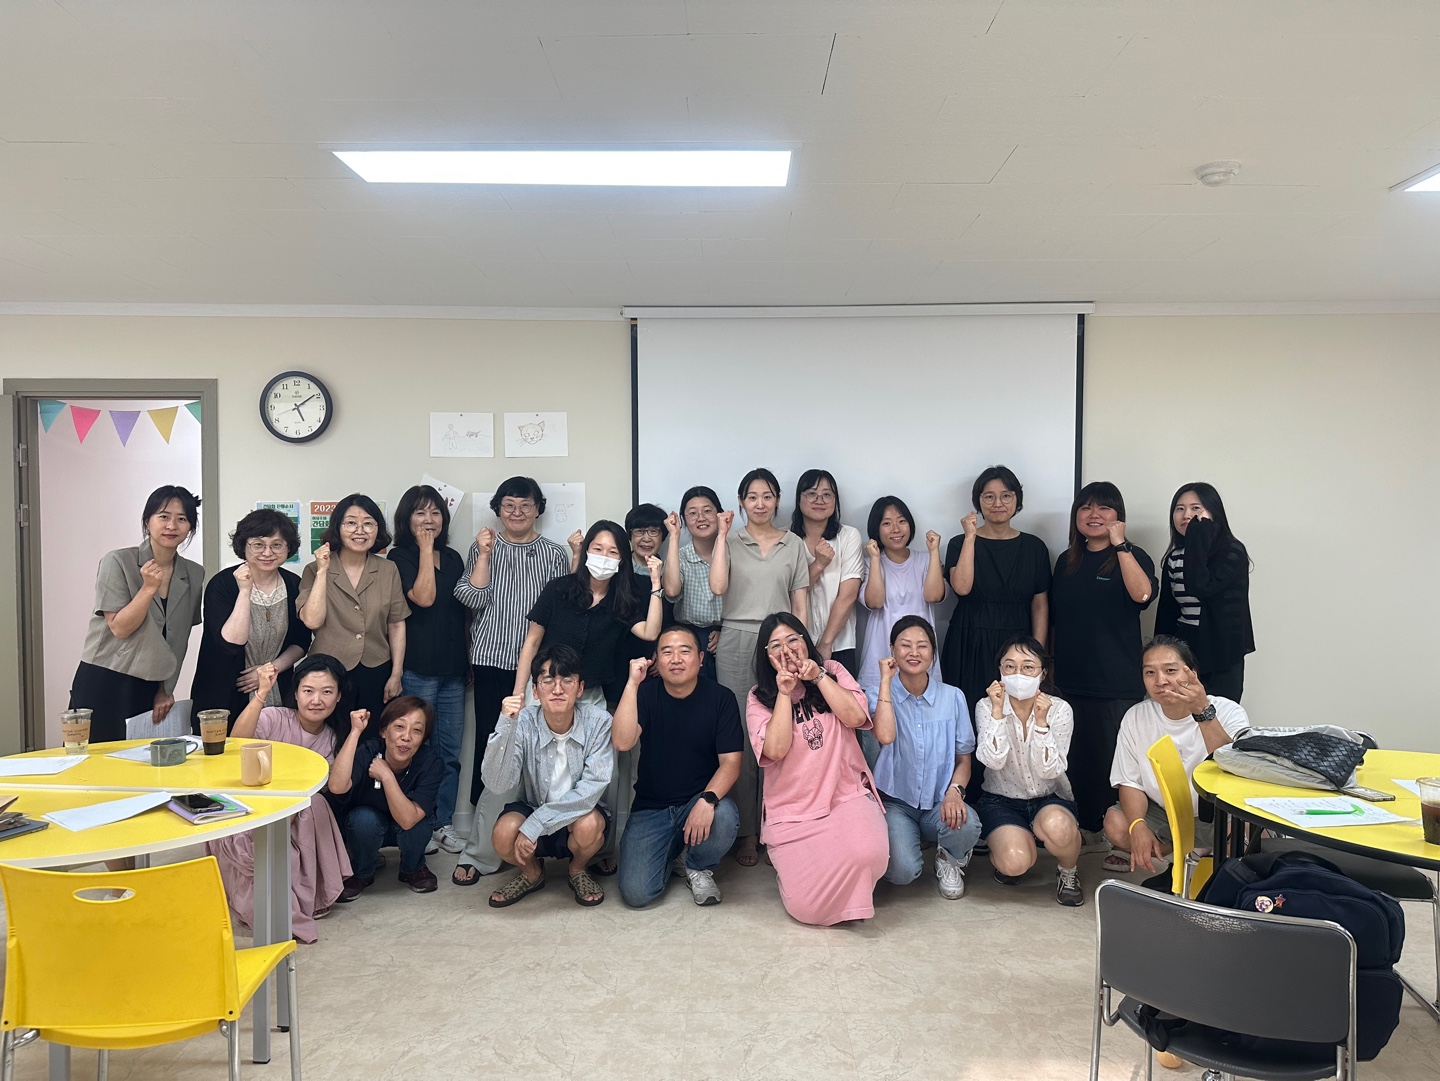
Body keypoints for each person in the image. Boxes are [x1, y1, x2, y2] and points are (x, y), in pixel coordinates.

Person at [512, 521, 663, 870]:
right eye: (598, 549)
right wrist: (519, 693)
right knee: (521, 770)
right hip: (545, 692)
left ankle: (595, 853)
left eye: (613, 552)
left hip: (591, 697)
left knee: (599, 778)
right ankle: (497, 850)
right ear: (585, 552)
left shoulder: (622, 599)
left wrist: (656, 584)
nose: (604, 557)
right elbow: (532, 642)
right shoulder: (559, 589)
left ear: (623, 560)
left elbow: (650, 631)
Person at [451, 477, 571, 886]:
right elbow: (472, 599)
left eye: (526, 505)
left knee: (538, 752)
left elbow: (564, 609)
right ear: (498, 509)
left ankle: (527, 833)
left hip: (538, 670)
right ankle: (483, 842)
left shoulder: (553, 554)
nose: (517, 512)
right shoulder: (483, 547)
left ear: (538, 509)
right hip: (490, 659)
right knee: (493, 749)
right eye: (508, 505)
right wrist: (484, 555)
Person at [745, 613, 887, 926]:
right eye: (775, 646)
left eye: (792, 640)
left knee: (870, 854)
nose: (786, 650)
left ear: (805, 641)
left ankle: (849, 889)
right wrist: (785, 693)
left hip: (845, 795)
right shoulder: (758, 697)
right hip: (792, 810)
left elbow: (855, 717)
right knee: (806, 908)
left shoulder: (833, 670)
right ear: (766, 656)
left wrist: (818, 677)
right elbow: (775, 750)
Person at [208, 654, 353, 942]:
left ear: (338, 697)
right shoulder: (274, 717)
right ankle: (271, 903)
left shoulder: (331, 739)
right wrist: (261, 693)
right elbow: (237, 742)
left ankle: (308, 894)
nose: (316, 700)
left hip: (293, 814)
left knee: (316, 804)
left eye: (327, 692)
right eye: (308, 691)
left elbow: (332, 787)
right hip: (250, 806)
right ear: (296, 693)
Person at [1048, 482, 1157, 852]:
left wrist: (1120, 545)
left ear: (1118, 516)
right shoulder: (1066, 561)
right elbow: (1057, 620)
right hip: (1070, 681)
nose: (1094, 515)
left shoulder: (1134, 555)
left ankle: (1119, 840)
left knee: (1117, 764)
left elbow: (1142, 595)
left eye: (1104, 508)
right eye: (1086, 508)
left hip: (1115, 682)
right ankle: (1085, 831)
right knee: (1076, 761)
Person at [711, 468, 811, 867]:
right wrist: (721, 534)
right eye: (752, 497)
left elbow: (800, 602)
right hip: (736, 639)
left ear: (777, 500)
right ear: (741, 502)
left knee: (781, 734)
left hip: (781, 642)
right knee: (741, 736)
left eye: (767, 496)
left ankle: (778, 828)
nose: (760, 503)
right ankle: (747, 833)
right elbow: (718, 587)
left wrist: (802, 650)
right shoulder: (731, 540)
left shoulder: (794, 543)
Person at [613, 627, 743, 908]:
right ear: (656, 660)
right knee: (637, 894)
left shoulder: (721, 698)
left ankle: (698, 865)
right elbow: (622, 742)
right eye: (667, 652)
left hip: (697, 801)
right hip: (651, 807)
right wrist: (632, 684)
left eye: (685, 651)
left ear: (701, 658)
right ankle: (674, 851)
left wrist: (707, 800)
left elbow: (731, 763)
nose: (676, 659)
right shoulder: (646, 694)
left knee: (724, 813)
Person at [482, 645, 614, 908]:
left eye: (567, 680)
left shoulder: (598, 721)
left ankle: (578, 870)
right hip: (533, 805)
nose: (557, 689)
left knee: (590, 825)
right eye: (548, 680)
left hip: (578, 813)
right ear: (535, 690)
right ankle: (532, 874)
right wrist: (505, 724)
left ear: (580, 688)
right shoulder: (523, 721)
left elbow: (592, 788)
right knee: (502, 834)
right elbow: (497, 783)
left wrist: (536, 825)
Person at [1103, 635, 1249, 873]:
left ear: (1192, 673)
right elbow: (1129, 781)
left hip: (1220, 815)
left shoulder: (1228, 710)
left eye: (1170, 670)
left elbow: (1233, 768)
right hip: (1166, 814)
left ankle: (1202, 852)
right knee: (1117, 824)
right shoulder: (1136, 716)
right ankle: (1182, 854)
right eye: (1150, 673)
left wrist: (1202, 711)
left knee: (1257, 837)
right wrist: (1137, 825)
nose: (1161, 681)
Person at [70, 485, 204, 743]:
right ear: (147, 520)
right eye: (163, 516)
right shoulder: (118, 561)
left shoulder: (194, 573)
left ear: (190, 527)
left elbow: (179, 638)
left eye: (182, 519)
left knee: (143, 758)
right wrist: (148, 588)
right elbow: (120, 628)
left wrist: (166, 689)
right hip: (106, 676)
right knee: (96, 757)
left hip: (151, 682)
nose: (171, 525)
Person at [867, 615, 981, 900]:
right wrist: (885, 681)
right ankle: (905, 841)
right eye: (905, 645)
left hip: (939, 802)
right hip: (896, 803)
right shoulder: (877, 694)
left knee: (968, 824)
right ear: (892, 650)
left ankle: (948, 858)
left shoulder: (953, 697)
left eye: (922, 645)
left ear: (933, 651)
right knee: (902, 872)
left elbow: (964, 759)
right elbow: (884, 735)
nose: (914, 652)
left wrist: (955, 792)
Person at [388, 485, 469, 857]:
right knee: (414, 747)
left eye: (435, 512)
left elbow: (463, 613)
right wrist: (424, 549)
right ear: (407, 519)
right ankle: (417, 821)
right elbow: (423, 597)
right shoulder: (399, 556)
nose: (428, 520)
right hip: (417, 669)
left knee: (449, 751)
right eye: (420, 512)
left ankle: (442, 823)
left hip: (453, 670)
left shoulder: (453, 557)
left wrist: (468, 658)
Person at [974, 636, 1083, 906]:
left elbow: (1051, 770)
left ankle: (1068, 872)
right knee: (1015, 862)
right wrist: (998, 713)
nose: (1018, 674)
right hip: (1001, 800)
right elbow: (993, 761)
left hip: (1049, 797)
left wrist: (1042, 724)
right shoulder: (986, 706)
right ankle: (1014, 846)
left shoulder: (1059, 709)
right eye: (1009, 666)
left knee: (1058, 828)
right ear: (1000, 671)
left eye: (1028, 667)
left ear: (1042, 673)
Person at [298, 494, 410, 732]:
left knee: (371, 737)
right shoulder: (314, 569)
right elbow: (312, 621)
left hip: (376, 668)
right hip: (327, 673)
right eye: (350, 523)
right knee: (328, 737)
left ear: (377, 529)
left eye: (368, 523)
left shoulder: (388, 569)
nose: (360, 530)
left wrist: (396, 674)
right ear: (337, 528)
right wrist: (323, 572)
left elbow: (396, 623)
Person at [192, 509, 310, 727]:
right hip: (224, 691)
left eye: (277, 545)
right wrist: (245, 591)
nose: (267, 552)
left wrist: (269, 670)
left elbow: (301, 641)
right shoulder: (222, 584)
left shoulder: (294, 585)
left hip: (279, 688)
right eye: (258, 544)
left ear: (288, 548)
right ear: (243, 546)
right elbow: (230, 643)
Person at [328, 695, 443, 900]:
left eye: (417, 730)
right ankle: (362, 871)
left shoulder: (431, 762)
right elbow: (336, 787)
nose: (406, 737)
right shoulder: (369, 751)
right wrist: (355, 732)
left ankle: (413, 868)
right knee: (363, 819)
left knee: (418, 821)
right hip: (368, 829)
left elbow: (408, 820)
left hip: (406, 827)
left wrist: (387, 775)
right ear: (383, 731)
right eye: (399, 727)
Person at [1154, 483, 1255, 703]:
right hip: (1184, 648)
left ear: (1213, 513)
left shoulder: (1231, 550)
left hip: (1221, 652)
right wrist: (1159, 653)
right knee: (1180, 715)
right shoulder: (1174, 557)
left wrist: (1198, 537)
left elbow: (1202, 586)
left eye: (1195, 508)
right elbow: (1167, 611)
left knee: (1218, 715)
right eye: (1179, 509)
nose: (1186, 515)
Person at [858, 494, 944, 692]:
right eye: (887, 523)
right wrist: (876, 559)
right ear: (876, 529)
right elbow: (875, 602)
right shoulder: (869, 564)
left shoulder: (926, 560)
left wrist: (934, 552)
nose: (896, 529)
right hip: (880, 655)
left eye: (902, 521)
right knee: (880, 706)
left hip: (920, 655)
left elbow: (933, 596)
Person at [792, 469, 864, 676]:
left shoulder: (848, 536)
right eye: (811, 494)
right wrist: (818, 565)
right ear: (799, 499)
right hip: (795, 644)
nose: (819, 500)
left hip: (839, 643)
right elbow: (789, 593)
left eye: (827, 494)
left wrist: (826, 643)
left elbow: (848, 595)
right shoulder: (786, 539)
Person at [661, 486, 726, 681]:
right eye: (692, 513)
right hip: (690, 637)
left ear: (719, 514)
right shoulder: (680, 556)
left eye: (707, 511)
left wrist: (726, 632)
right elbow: (671, 591)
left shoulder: (733, 552)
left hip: (729, 634)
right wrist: (674, 536)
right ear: (683, 519)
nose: (701, 518)